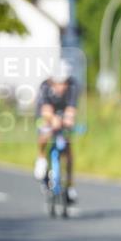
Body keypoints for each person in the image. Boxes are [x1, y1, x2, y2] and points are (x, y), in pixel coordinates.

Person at [34, 60, 80, 203]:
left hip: (62, 114)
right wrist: (52, 120)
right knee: (45, 133)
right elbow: (46, 111)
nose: (61, 87)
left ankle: (70, 186)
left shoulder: (73, 85)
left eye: (63, 83)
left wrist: (68, 120)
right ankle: (41, 157)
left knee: (68, 148)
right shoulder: (45, 86)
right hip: (46, 115)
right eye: (58, 84)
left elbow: (71, 108)